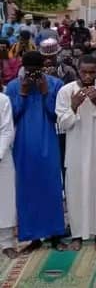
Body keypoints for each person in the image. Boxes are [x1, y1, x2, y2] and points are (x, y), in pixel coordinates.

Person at [6, 51, 65, 252]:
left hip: (48, 142)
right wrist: (22, 92)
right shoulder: (14, 86)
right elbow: (10, 117)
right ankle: (33, 237)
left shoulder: (55, 84)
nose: (32, 74)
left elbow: (55, 115)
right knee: (27, 190)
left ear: (43, 68)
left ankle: (56, 234)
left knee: (51, 187)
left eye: (36, 71)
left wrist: (44, 91)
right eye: (29, 71)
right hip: (23, 145)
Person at [55, 55, 96, 250]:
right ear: (77, 70)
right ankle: (77, 235)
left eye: (92, 72)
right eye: (84, 72)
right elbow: (62, 124)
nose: (88, 76)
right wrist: (73, 106)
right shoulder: (65, 91)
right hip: (75, 148)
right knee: (75, 190)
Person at [0, 91, 16, 258]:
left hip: (2, 156)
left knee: (5, 200)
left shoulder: (3, 100)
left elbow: (7, 130)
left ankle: (7, 243)